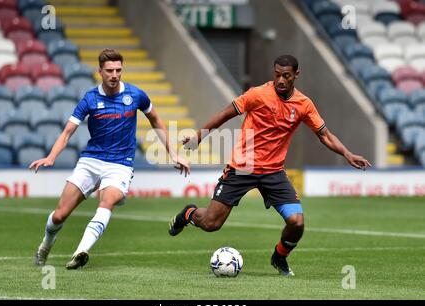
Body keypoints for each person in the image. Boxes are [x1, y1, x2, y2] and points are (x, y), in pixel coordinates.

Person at [168, 54, 371, 276]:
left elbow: (325, 135)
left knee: (297, 222)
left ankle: (279, 256)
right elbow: (224, 115)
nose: (281, 80)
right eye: (277, 75)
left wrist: (347, 153)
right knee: (210, 224)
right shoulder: (257, 94)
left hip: (273, 172)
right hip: (242, 167)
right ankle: (188, 213)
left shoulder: (304, 104)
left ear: (296, 75)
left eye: (286, 76)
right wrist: (198, 137)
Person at [31, 48, 190, 269]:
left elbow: (155, 119)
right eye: (109, 71)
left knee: (106, 202)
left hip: (120, 164)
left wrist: (172, 152)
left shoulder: (135, 95)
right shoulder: (90, 98)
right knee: (59, 215)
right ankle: (45, 248)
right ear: (100, 72)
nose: (114, 75)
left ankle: (81, 251)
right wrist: (51, 156)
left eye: (118, 70)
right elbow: (67, 132)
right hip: (91, 161)